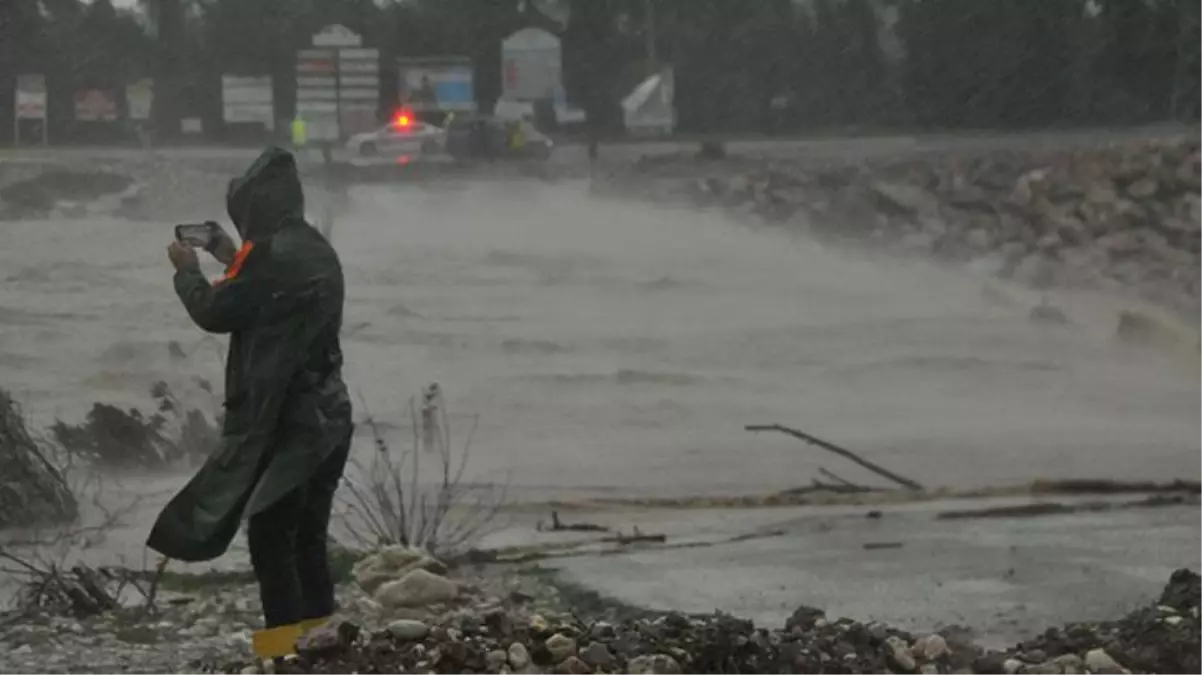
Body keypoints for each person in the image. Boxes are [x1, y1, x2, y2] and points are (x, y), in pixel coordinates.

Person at [148, 146, 353, 658]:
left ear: (254, 207)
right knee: (307, 536)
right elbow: (263, 287)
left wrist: (187, 270)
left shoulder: (270, 259)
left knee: (270, 532)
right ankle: (321, 646)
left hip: (295, 422)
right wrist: (226, 251)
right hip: (329, 415)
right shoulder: (310, 245)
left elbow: (217, 310)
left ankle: (285, 654)